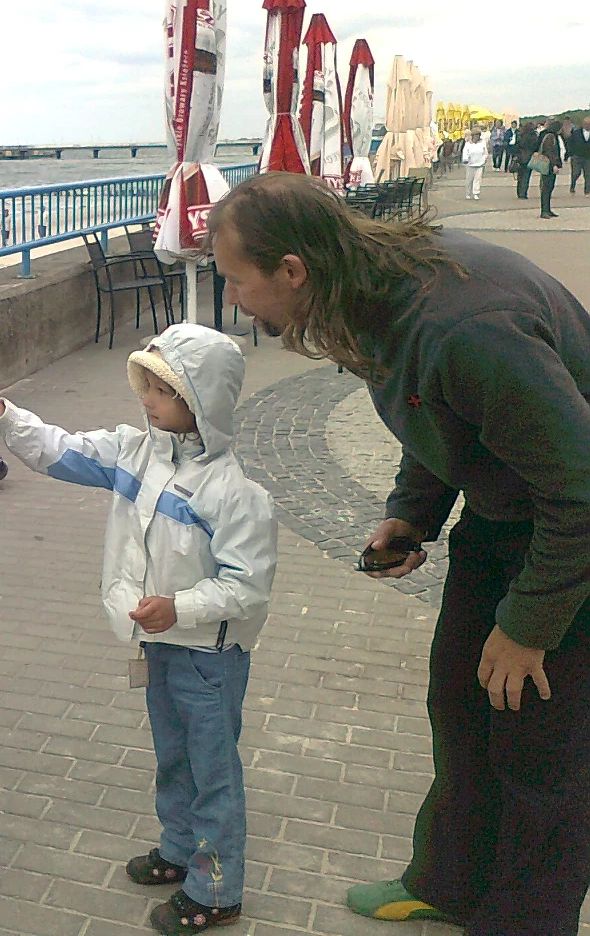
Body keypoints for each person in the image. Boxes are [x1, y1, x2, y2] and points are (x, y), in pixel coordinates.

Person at [209, 172, 590, 936]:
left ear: (292, 270)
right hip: (506, 509)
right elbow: (435, 405)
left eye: (235, 280)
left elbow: (581, 489)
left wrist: (529, 627)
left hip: (566, 531)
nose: (233, 301)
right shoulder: (370, 296)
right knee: (459, 705)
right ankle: (449, 884)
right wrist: (412, 515)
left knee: (541, 754)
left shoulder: (465, 326)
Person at [0, 323, 277, 936]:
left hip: (208, 656)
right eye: (146, 385)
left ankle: (216, 887)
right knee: (173, 756)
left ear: (199, 402)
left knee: (212, 770)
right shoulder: (137, 451)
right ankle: (178, 849)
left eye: (162, 390)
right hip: (160, 644)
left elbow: (247, 586)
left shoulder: (238, 496)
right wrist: (0, 411)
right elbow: (61, 450)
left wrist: (179, 606)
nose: (146, 399)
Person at [537, 118, 566, 219]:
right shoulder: (550, 137)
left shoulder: (553, 136)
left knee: (549, 188)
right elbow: (550, 152)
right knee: (546, 188)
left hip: (550, 165)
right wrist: (554, 165)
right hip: (548, 166)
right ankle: (544, 211)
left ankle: (547, 209)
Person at [512, 120, 539, 199]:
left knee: (520, 176)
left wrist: (515, 155)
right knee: (526, 176)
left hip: (520, 157)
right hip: (529, 158)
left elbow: (516, 146)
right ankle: (523, 193)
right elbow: (536, 147)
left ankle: (519, 192)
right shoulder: (534, 136)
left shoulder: (520, 135)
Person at [460, 127, 487, 199]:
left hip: (480, 164)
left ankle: (476, 193)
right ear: (472, 136)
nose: (477, 137)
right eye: (475, 135)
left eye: (478, 135)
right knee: (469, 180)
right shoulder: (468, 144)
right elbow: (465, 152)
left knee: (477, 179)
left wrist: (484, 160)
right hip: (470, 164)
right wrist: (465, 159)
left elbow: (485, 152)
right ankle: (468, 193)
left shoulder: (482, 142)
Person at [567, 115, 590, 196]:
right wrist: (570, 154)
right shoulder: (576, 133)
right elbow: (570, 143)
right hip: (577, 156)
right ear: (583, 124)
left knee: (588, 174)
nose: (588, 125)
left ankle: (587, 191)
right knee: (576, 173)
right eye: (586, 123)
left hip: (588, 157)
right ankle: (572, 185)